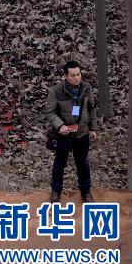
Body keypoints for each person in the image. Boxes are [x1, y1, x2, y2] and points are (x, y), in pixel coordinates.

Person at [45, 60, 99, 203]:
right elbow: (50, 113)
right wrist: (60, 126)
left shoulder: (86, 88)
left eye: (78, 74)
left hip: (82, 133)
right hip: (64, 134)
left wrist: (93, 128)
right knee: (59, 163)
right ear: (66, 76)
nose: (76, 78)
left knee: (82, 164)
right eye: (73, 75)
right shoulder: (55, 91)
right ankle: (56, 192)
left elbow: (92, 108)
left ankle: (86, 192)